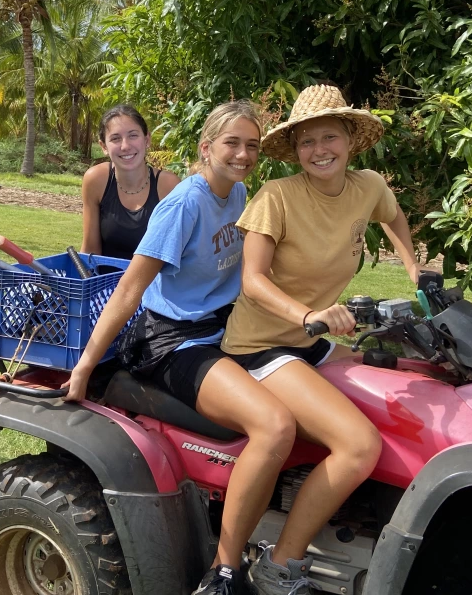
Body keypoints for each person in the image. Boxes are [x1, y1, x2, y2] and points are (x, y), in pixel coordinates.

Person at [67, 100, 302, 595]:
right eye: (231, 143)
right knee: (274, 424)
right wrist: (86, 366)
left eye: (252, 146)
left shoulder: (239, 193)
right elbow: (131, 288)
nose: (242, 154)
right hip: (171, 338)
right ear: (206, 147)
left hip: (226, 328)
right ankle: (223, 572)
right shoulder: (183, 203)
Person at [221, 83, 420, 595]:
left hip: (313, 343)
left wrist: (417, 273)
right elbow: (252, 281)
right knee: (358, 445)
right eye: (307, 142)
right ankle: (280, 564)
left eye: (329, 137)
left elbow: (393, 215)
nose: (319, 150)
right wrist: (308, 313)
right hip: (263, 346)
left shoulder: (369, 186)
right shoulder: (277, 197)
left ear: (350, 139)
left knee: (407, 381)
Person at [81, 104, 178, 259]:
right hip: (105, 282)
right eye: (115, 138)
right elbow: (90, 251)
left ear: (147, 139)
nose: (125, 146)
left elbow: (176, 253)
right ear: (104, 146)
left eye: (133, 135)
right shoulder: (96, 179)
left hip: (154, 283)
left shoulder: (168, 185)